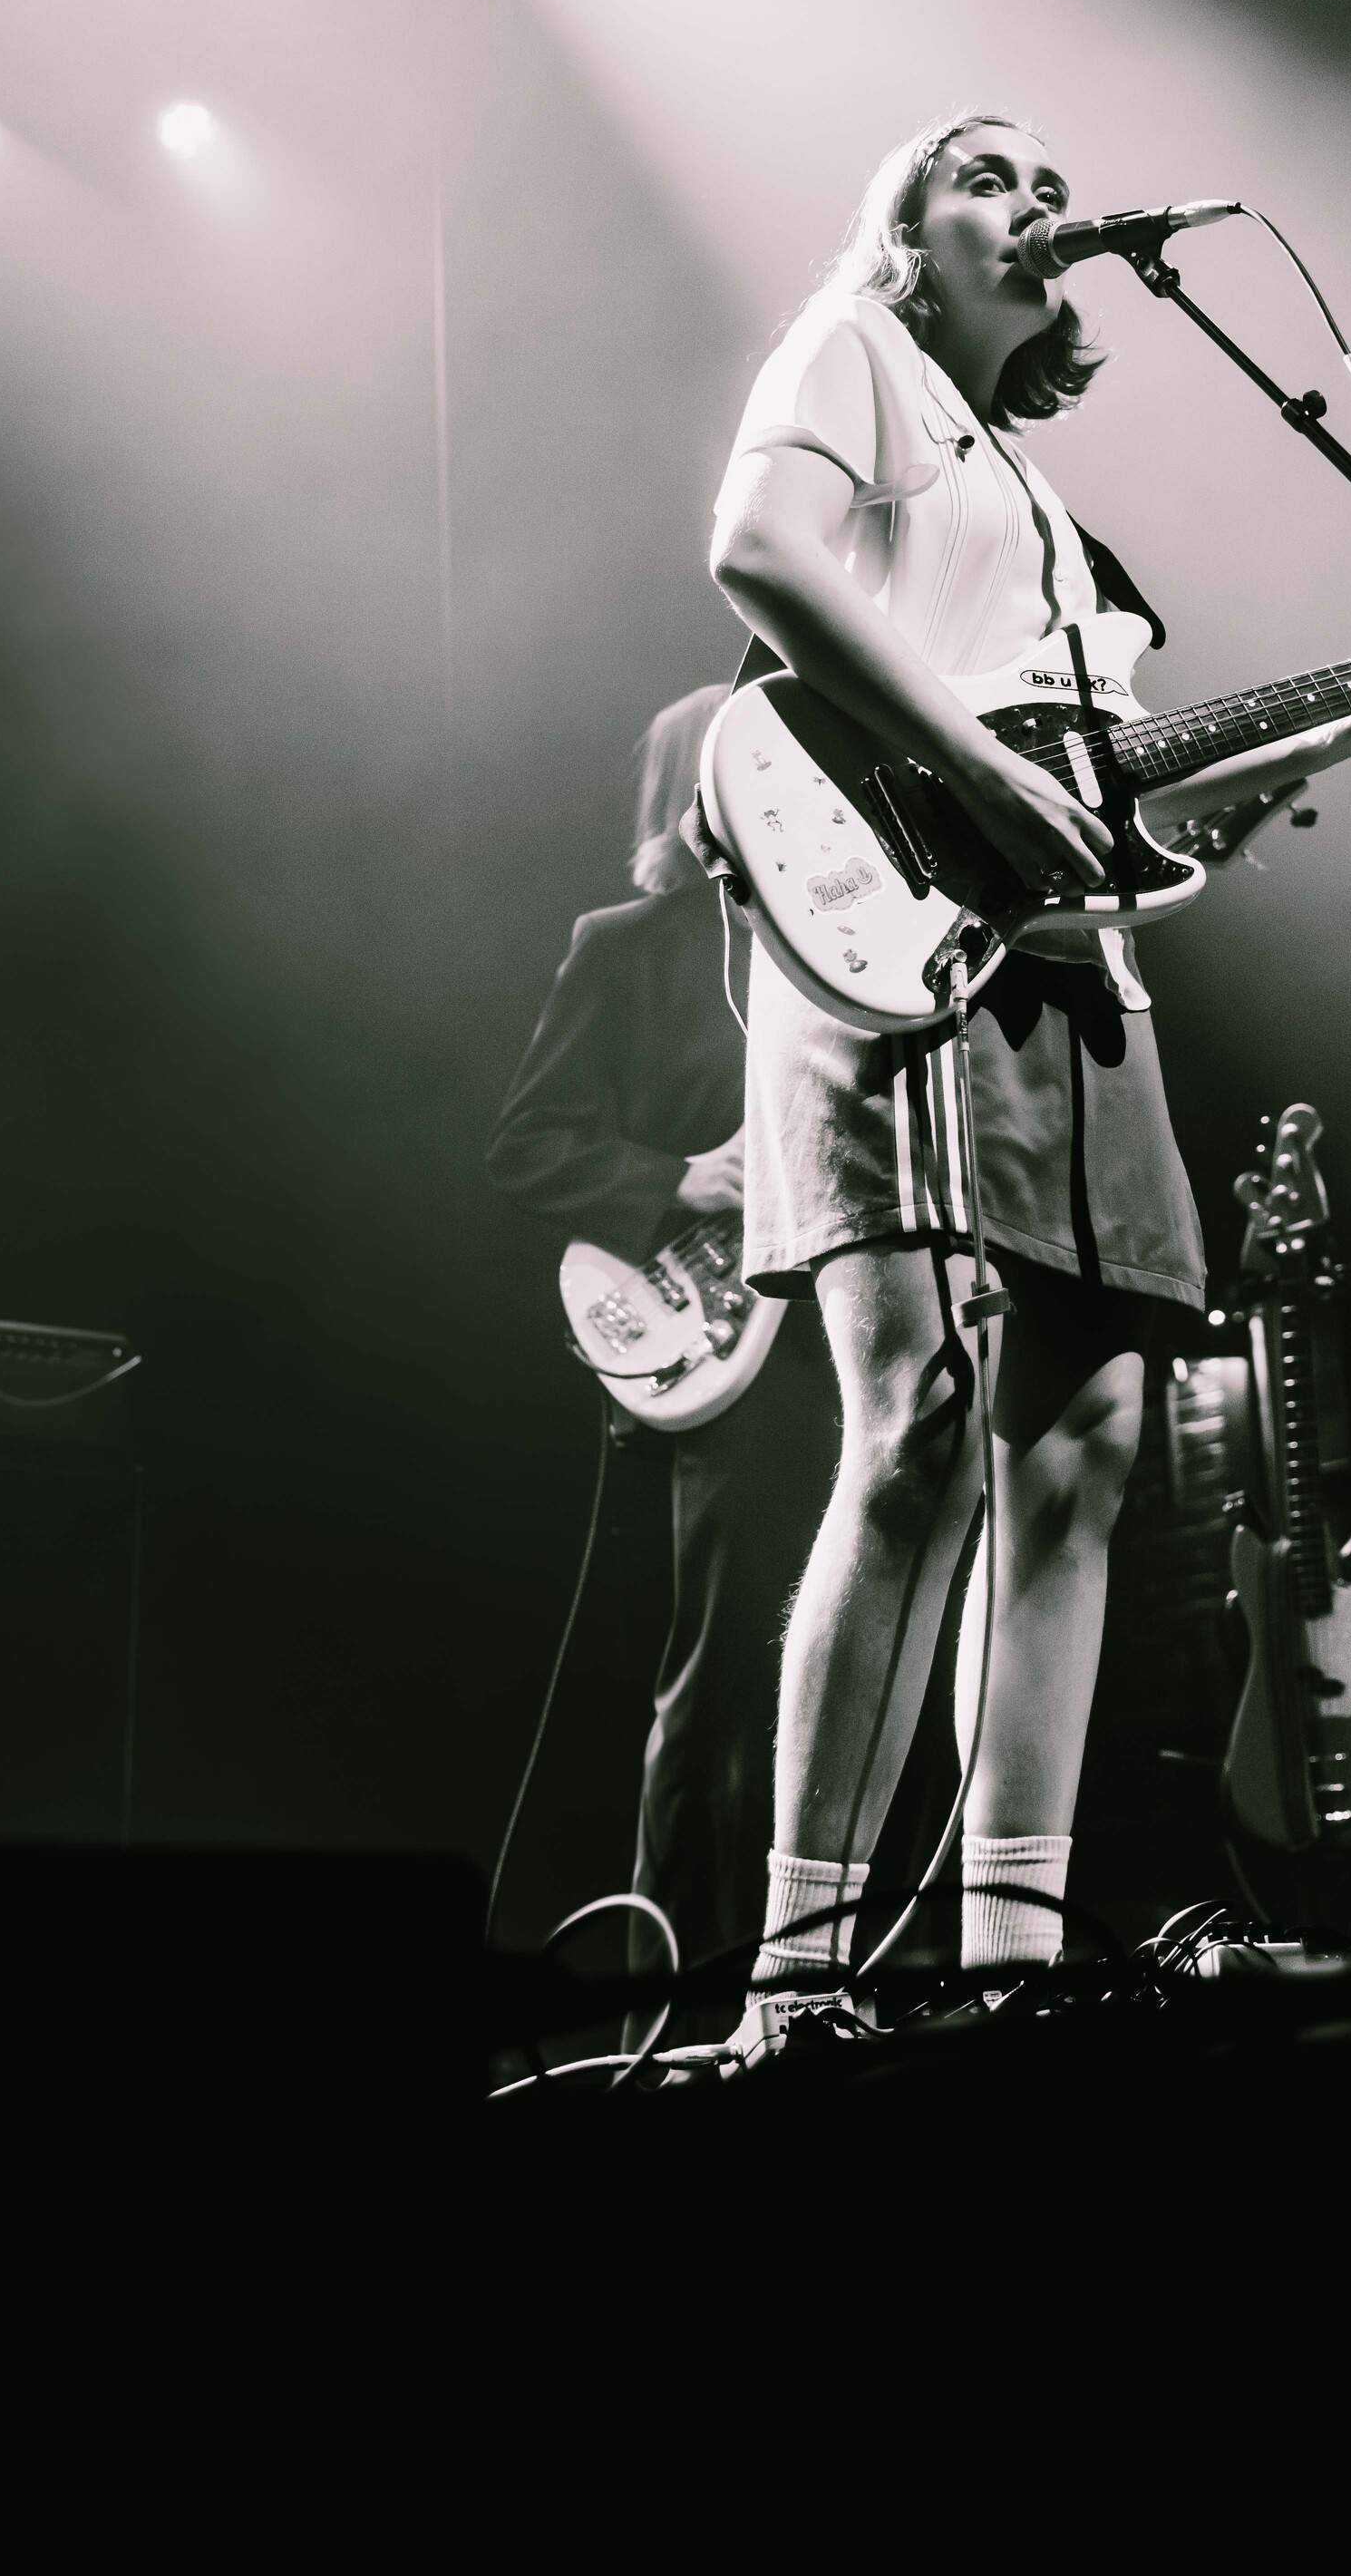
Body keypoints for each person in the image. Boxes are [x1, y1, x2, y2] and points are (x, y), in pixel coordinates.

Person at [706, 109, 1351, 2046]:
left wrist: (1347, 724)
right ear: (907, 229)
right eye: (986, 177)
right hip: (900, 941)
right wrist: (974, 764)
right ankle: (795, 1977)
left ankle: (1011, 1958)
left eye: (1049, 184)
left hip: (1075, 976)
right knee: (918, 1429)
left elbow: (1130, 811)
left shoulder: (1036, 494)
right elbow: (757, 554)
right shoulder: (853, 349)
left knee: (1085, 1447)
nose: (1035, 203)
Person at [486, 688, 841, 2012]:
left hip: (844, 1321)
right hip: (723, 1340)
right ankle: (676, 2002)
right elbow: (526, 1143)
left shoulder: (829, 933)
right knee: (725, 1676)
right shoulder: (628, 947)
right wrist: (678, 1179)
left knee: (842, 1662)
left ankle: (821, 1974)